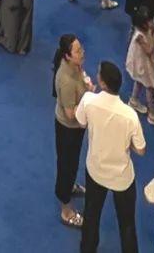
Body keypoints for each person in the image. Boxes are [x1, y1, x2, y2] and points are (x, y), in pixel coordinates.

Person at [76, 59, 146, 253]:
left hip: (96, 170)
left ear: (103, 82)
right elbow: (141, 150)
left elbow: (81, 122)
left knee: (91, 214)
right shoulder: (129, 115)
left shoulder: (89, 100)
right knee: (127, 223)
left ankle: (87, 249)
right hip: (121, 177)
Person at [54, 32, 91, 228]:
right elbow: (70, 114)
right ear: (67, 56)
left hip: (76, 128)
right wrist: (88, 102)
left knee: (73, 161)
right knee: (66, 166)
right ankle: (66, 210)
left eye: (81, 48)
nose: (82, 52)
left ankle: (69, 186)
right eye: (77, 51)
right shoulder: (66, 80)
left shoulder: (75, 66)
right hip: (68, 129)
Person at [126, 5, 154, 124]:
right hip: (143, 64)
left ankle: (133, 100)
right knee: (150, 87)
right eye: (149, 21)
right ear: (144, 24)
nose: (152, 22)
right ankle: (152, 113)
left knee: (139, 81)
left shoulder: (145, 29)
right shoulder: (139, 36)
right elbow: (149, 50)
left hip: (143, 63)